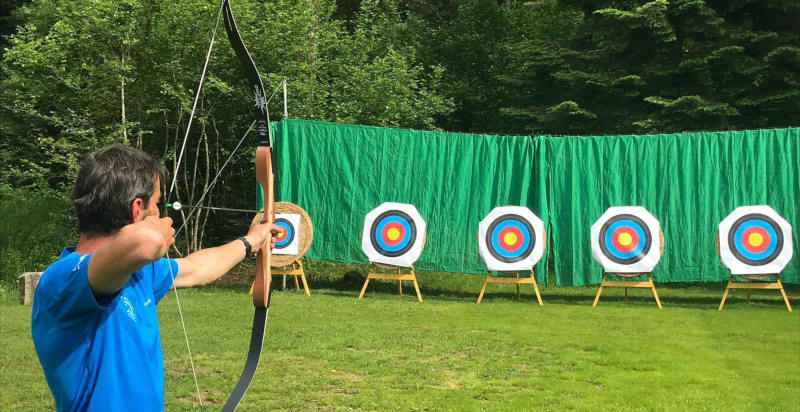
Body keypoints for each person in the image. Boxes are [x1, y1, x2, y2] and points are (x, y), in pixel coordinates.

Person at [30, 143, 278, 411]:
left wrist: (251, 241)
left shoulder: (138, 273)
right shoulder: (62, 279)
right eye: (157, 203)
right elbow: (147, 241)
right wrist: (158, 234)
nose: (160, 213)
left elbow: (197, 269)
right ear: (137, 208)